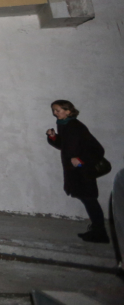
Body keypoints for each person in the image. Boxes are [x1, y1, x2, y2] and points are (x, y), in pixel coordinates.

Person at [46, 99, 109, 243]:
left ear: (68, 111)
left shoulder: (75, 126)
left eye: (57, 110)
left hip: (83, 171)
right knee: (88, 199)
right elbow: (66, 145)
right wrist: (53, 137)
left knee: (90, 200)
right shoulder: (65, 125)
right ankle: (97, 230)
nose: (55, 113)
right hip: (75, 172)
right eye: (54, 110)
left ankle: (100, 233)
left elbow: (97, 149)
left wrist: (81, 159)